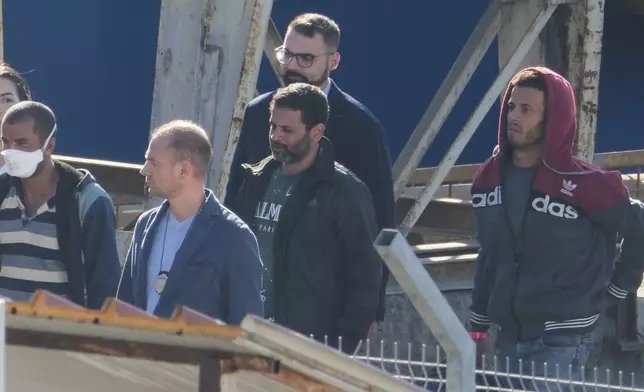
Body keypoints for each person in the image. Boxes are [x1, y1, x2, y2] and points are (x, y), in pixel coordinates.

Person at [468, 67, 644, 387]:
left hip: (563, 341)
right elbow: (489, 255)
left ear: (552, 120)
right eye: (511, 107)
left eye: (526, 110)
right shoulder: (487, 179)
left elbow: (639, 227)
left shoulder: (587, 183)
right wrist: (477, 328)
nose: (513, 117)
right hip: (508, 338)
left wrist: (618, 289)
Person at [224, 13, 394, 330]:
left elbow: (381, 219)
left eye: (306, 58)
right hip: (258, 300)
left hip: (323, 304)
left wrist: (372, 309)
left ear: (334, 61)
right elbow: (236, 196)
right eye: (287, 54)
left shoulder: (361, 127)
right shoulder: (260, 111)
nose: (292, 66)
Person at [226, 83, 382, 353]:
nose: (276, 137)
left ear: (317, 132)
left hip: (309, 345)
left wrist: (338, 350)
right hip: (250, 336)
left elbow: (365, 278)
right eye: (273, 127)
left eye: (287, 130)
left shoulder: (344, 192)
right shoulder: (255, 179)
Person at [117, 120, 263, 324]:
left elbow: (246, 325)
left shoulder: (234, 236)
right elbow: (125, 305)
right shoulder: (145, 225)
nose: (144, 170)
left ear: (183, 170)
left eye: (153, 162)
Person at [0, 101, 121, 308]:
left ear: (49, 146)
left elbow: (104, 287)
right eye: (5, 142)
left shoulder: (88, 201)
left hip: (57, 335)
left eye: (22, 143)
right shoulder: (3, 192)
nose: (11, 151)